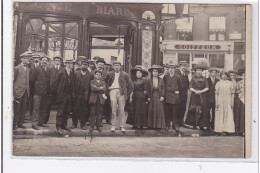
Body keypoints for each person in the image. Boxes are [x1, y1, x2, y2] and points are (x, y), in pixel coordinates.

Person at [105, 61, 134, 132]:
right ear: (113, 66)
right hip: (113, 91)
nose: (117, 67)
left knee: (121, 109)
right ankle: (113, 125)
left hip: (121, 92)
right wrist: (108, 90)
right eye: (115, 65)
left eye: (118, 65)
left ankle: (122, 125)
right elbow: (105, 83)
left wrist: (126, 93)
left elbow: (131, 85)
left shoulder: (125, 74)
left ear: (120, 66)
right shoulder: (109, 74)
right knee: (113, 109)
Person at [53, 59, 75, 134]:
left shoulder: (72, 73)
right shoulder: (61, 72)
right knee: (60, 111)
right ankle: (58, 126)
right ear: (65, 64)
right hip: (62, 95)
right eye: (68, 63)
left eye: (71, 64)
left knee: (67, 111)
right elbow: (55, 84)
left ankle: (64, 125)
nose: (69, 65)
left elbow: (72, 85)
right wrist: (58, 94)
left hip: (69, 95)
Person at [30, 55, 51, 130]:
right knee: (36, 108)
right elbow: (32, 80)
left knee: (43, 108)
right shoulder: (36, 69)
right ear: (41, 61)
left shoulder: (48, 70)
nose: (45, 61)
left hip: (45, 92)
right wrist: (35, 89)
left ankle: (41, 122)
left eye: (46, 60)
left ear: (48, 62)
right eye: (43, 60)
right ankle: (34, 124)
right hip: (37, 92)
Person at [185, 64, 209, 131]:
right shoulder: (193, 78)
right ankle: (194, 125)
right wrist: (195, 91)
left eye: (200, 70)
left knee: (203, 110)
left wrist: (200, 92)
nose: (199, 72)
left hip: (202, 95)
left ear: (202, 71)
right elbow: (190, 87)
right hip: (194, 95)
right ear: (195, 71)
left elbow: (207, 87)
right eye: (197, 70)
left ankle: (201, 125)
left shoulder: (205, 79)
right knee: (193, 109)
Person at [72, 59, 94, 130]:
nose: (84, 66)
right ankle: (74, 123)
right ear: (81, 65)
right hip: (77, 94)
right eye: (83, 64)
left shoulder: (90, 75)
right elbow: (73, 84)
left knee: (84, 110)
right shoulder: (76, 73)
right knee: (75, 109)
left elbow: (91, 85)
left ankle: (83, 124)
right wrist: (74, 94)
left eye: (86, 65)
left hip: (86, 95)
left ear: (88, 66)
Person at [13, 51, 31, 130]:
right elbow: (13, 80)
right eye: (24, 58)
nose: (26, 60)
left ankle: (20, 122)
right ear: (21, 59)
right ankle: (14, 123)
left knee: (23, 108)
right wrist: (13, 92)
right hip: (18, 91)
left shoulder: (28, 69)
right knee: (17, 108)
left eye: (27, 58)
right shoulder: (17, 68)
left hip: (26, 91)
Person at [44, 56, 64, 124]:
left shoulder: (63, 70)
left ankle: (59, 122)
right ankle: (45, 121)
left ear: (60, 62)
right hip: (51, 91)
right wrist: (48, 89)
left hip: (59, 91)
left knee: (60, 107)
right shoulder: (50, 69)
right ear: (54, 61)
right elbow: (47, 79)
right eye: (56, 60)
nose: (57, 62)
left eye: (58, 60)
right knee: (47, 106)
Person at [214, 71, 235, 135]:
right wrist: (217, 102)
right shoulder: (218, 83)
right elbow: (216, 94)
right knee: (220, 114)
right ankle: (219, 130)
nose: (224, 76)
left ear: (227, 76)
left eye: (225, 75)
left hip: (228, 100)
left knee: (228, 114)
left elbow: (232, 93)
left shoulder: (230, 83)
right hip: (220, 100)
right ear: (221, 76)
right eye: (222, 75)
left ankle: (228, 130)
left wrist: (232, 102)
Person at [163, 64, 182, 131]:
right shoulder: (165, 76)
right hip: (168, 96)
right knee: (167, 111)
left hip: (175, 96)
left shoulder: (177, 77)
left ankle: (175, 125)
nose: (171, 70)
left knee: (175, 111)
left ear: (174, 69)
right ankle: (167, 124)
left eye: (172, 68)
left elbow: (180, 86)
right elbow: (163, 86)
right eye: (170, 68)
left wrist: (178, 91)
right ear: (168, 69)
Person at [146, 65, 166, 130]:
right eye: (154, 71)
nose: (155, 73)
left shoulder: (161, 80)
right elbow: (147, 89)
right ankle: (150, 125)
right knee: (151, 110)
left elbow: (163, 88)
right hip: (151, 96)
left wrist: (162, 96)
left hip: (158, 96)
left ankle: (159, 125)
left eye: (156, 71)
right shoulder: (149, 80)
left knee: (159, 110)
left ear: (158, 73)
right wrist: (148, 97)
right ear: (152, 72)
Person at [130, 65, 148, 129]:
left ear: (142, 74)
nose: (138, 74)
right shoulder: (133, 80)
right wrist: (131, 97)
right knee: (135, 110)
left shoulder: (144, 80)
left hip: (141, 97)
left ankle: (141, 125)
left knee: (141, 110)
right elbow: (132, 89)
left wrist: (145, 98)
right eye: (137, 73)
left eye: (139, 73)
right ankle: (134, 124)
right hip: (135, 96)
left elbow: (146, 90)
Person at [175, 61, 189, 126]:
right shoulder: (176, 74)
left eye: (185, 66)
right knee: (177, 108)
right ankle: (176, 123)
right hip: (178, 94)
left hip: (184, 94)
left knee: (183, 108)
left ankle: (181, 122)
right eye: (182, 66)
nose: (183, 67)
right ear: (179, 66)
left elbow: (187, 85)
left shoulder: (186, 75)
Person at [27, 53, 41, 120]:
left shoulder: (41, 66)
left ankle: (37, 116)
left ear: (39, 59)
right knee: (31, 101)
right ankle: (30, 115)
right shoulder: (29, 65)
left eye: (37, 58)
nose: (36, 59)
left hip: (39, 87)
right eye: (34, 58)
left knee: (38, 103)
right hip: (31, 86)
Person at [234, 69, 245, 135]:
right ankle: (238, 130)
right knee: (239, 113)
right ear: (241, 76)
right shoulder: (239, 83)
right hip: (240, 99)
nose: (244, 76)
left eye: (245, 75)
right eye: (243, 75)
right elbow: (236, 91)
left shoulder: (250, 82)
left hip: (247, 99)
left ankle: (243, 129)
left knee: (244, 114)